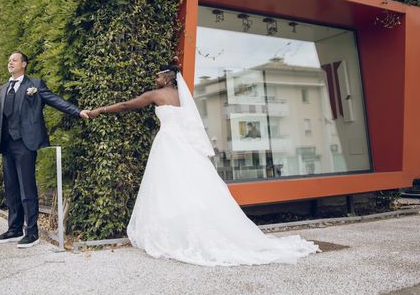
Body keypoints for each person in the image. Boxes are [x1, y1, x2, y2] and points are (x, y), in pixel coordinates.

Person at [88, 64, 319, 266]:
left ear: (167, 78)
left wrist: (99, 111)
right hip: (185, 146)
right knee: (190, 187)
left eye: (158, 76)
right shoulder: (183, 98)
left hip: (168, 144)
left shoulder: (156, 95)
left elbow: (128, 105)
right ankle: (184, 232)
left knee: (168, 188)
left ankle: (177, 235)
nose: (155, 79)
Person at [0, 51, 89, 248]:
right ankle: (14, 229)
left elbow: (55, 100)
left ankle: (31, 232)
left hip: (26, 143)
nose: (10, 62)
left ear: (24, 64)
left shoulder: (34, 84)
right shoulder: (3, 89)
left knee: (27, 188)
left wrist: (77, 111)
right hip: (7, 144)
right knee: (11, 189)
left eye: (14, 60)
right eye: (8, 60)